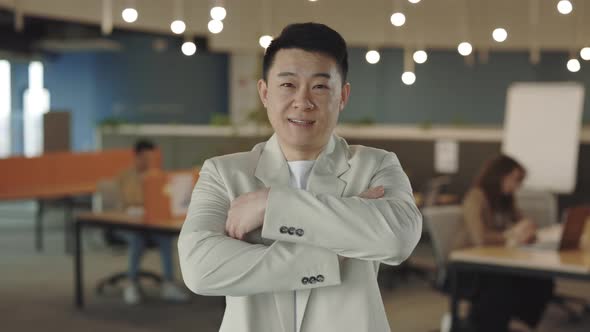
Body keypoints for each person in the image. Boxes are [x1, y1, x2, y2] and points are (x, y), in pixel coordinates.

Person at [178, 23, 422, 332]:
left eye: (320, 86)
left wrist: (273, 205)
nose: (303, 101)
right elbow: (201, 269)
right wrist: (336, 251)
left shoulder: (376, 164)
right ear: (265, 93)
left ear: (343, 96)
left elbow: (398, 238)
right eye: (288, 85)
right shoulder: (223, 173)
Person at [456, 154, 554, 332]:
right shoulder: (476, 197)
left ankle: (521, 323)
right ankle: (491, 324)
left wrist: (527, 229)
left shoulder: (506, 199)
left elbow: (524, 222)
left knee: (543, 278)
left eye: (519, 182)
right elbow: (479, 238)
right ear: (499, 176)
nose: (517, 186)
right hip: (469, 265)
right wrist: (512, 235)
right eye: (514, 180)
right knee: (503, 283)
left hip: (496, 259)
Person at [116, 139, 189, 305]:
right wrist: (147, 184)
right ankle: (131, 283)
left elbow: (164, 200)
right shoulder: (126, 176)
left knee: (164, 238)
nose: (151, 161)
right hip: (125, 225)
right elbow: (131, 200)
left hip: (152, 224)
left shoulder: (158, 176)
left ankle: (169, 283)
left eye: (153, 157)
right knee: (137, 238)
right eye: (147, 157)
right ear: (137, 156)